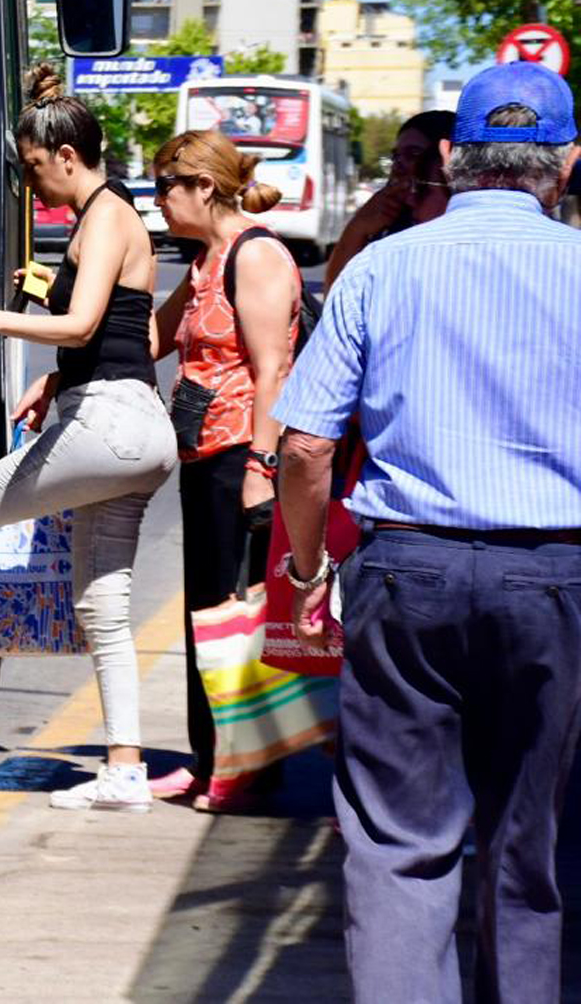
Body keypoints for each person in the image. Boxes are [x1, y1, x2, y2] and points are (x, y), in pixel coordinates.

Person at [276, 62, 581, 1003]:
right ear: (566, 163)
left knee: (401, 845)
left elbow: (302, 449)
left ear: (453, 157)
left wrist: (308, 562)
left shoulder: (383, 267)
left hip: (408, 573)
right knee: (536, 842)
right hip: (562, 580)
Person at [0, 64, 177, 813]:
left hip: (108, 422)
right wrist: (54, 374)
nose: (34, 187)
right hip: (136, 430)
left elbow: (80, 325)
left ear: (68, 158)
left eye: (36, 170)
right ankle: (125, 767)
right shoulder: (113, 212)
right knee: (103, 605)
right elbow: (112, 328)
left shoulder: (103, 217)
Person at [146, 129, 300, 810]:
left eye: (165, 189)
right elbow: (157, 337)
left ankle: (247, 766)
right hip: (201, 455)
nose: (159, 204)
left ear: (204, 187)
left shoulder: (256, 255)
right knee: (206, 613)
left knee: (239, 616)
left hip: (241, 454)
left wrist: (262, 467)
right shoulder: (205, 259)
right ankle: (209, 758)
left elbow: (274, 369)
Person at [323, 110, 456, 288]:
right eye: (396, 156)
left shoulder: (466, 236)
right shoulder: (389, 228)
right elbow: (337, 297)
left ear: (448, 159)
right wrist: (358, 228)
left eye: (413, 154)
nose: (399, 166)